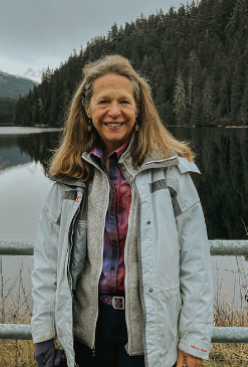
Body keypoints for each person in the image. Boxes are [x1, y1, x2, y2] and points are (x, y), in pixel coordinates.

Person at [31, 54, 213, 367]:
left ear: (139, 110)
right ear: (88, 110)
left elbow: (195, 265)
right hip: (88, 335)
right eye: (104, 101)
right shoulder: (69, 178)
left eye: (124, 102)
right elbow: (48, 262)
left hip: (148, 335)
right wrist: (44, 333)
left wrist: (194, 342)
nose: (114, 111)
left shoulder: (171, 175)